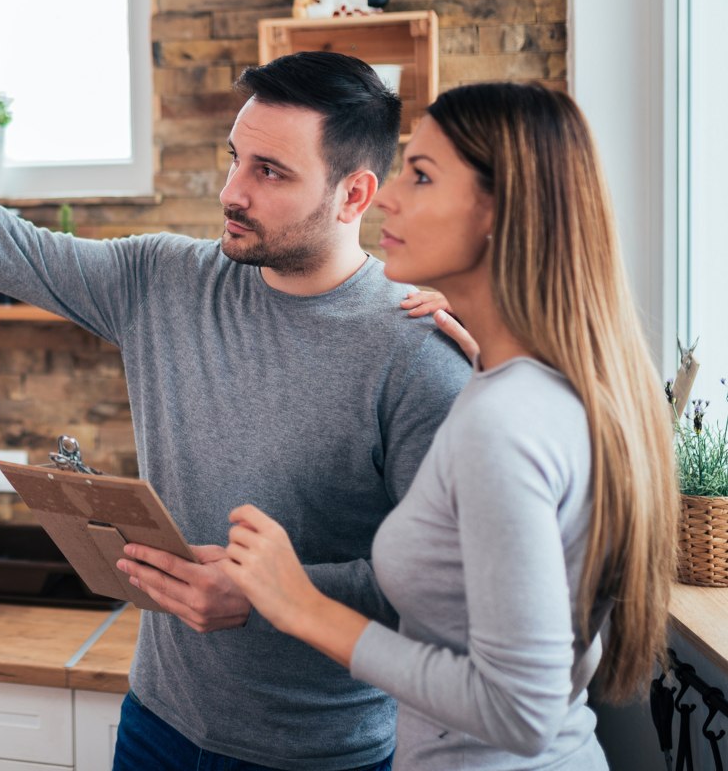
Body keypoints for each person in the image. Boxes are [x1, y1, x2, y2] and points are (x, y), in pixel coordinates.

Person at [0, 16, 471, 771]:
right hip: (157, 725)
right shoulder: (163, 280)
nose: (231, 192)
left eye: (271, 172)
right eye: (235, 159)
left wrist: (271, 594)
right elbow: (7, 245)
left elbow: (445, 585)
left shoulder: (417, 353)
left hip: (318, 755)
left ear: (354, 194)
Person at [224, 82, 677, 769]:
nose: (387, 196)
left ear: (502, 213)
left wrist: (300, 606)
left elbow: (520, 711)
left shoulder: (505, 422)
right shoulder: (539, 387)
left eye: (422, 176)